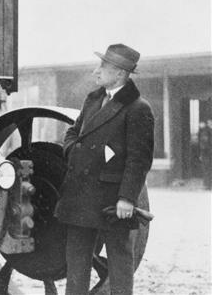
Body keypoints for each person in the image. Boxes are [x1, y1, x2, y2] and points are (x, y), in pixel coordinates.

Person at [55, 43, 154, 295]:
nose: (96, 71)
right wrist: (74, 152)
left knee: (119, 264)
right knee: (76, 265)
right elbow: (73, 133)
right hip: (79, 194)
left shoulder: (138, 108)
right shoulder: (93, 99)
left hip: (113, 201)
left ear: (120, 73)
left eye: (103, 66)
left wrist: (127, 199)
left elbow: (139, 160)